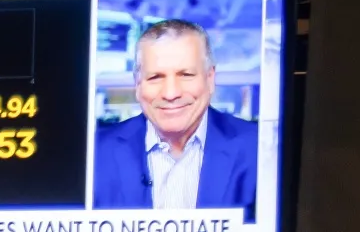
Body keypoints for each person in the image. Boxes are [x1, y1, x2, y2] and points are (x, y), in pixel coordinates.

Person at [92, 18, 258, 218]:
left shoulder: (257, 148)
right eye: (155, 77)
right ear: (138, 84)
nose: (171, 93)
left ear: (210, 78)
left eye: (186, 75)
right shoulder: (96, 153)